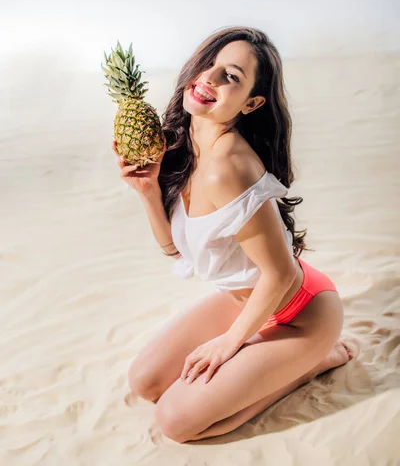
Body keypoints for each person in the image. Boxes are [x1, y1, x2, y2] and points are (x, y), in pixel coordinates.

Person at [112, 26, 359, 443]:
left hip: (301, 313)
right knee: (146, 383)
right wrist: (148, 191)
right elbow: (177, 250)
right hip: (245, 300)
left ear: (252, 102)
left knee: (176, 423)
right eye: (209, 64)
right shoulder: (184, 144)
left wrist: (229, 344)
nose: (209, 77)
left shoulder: (228, 163)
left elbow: (282, 276)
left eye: (231, 76)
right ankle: (270, 357)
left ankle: (312, 362)